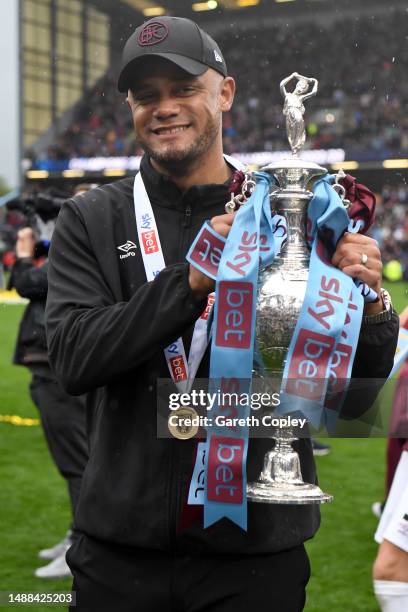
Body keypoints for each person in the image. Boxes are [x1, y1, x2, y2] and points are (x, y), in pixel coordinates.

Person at [46, 16, 399, 611]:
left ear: (225, 93)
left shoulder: (288, 214)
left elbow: (352, 397)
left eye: (183, 89)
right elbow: (75, 359)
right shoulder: (92, 218)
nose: (164, 109)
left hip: (255, 558)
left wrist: (373, 303)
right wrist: (191, 278)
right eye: (146, 96)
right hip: (119, 556)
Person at [10, 223, 88, 579]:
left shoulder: (78, 248)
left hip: (57, 373)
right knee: (74, 461)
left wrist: (25, 254)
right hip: (51, 372)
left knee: (77, 463)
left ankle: (82, 545)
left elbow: (26, 283)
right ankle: (78, 535)